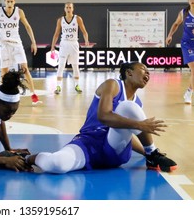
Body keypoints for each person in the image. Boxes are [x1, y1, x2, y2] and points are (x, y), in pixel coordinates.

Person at [25, 62, 177, 174]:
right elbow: (104, 116)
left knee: (129, 107)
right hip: (89, 141)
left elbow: (126, 135)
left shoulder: (137, 103)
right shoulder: (113, 85)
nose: (148, 74)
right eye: (143, 69)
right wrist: (139, 125)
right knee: (57, 164)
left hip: (113, 150)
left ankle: (152, 154)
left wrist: (144, 148)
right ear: (129, 73)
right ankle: (26, 158)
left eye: (149, 72)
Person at [0, 0, 42, 105]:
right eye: (8, 1)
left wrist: (34, 42)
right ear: (4, 2)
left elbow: (27, 27)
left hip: (16, 44)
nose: (10, 4)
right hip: (3, 44)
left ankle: (33, 95)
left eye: (11, 1)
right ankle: (3, 95)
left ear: (15, 2)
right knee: (4, 71)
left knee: (25, 69)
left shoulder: (19, 12)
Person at [50, 2, 89, 95]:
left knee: (75, 66)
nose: (68, 9)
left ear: (72, 9)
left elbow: (84, 31)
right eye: (67, 7)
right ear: (64, 9)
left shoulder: (78, 18)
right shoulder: (60, 20)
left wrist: (86, 40)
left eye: (70, 7)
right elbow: (56, 34)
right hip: (64, 44)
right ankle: (58, 86)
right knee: (61, 66)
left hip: (74, 43)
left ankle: (77, 85)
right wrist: (52, 46)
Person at [166, 0, 194, 105]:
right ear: (188, 0)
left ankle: (189, 91)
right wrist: (170, 35)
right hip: (187, 44)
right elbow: (175, 24)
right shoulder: (184, 12)